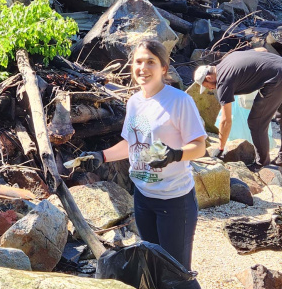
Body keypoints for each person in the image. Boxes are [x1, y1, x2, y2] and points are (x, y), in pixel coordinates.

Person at [83, 39, 208, 271]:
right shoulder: (134, 102)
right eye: (138, 61)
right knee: (152, 267)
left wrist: (175, 155)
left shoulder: (180, 101)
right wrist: (101, 156)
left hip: (174, 200)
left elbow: (200, 146)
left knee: (177, 273)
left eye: (151, 62)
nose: (143, 68)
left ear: (164, 67)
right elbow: (132, 143)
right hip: (142, 197)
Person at [194, 49, 282, 170]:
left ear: (209, 77)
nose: (211, 89)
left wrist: (221, 148)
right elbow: (260, 50)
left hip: (278, 78)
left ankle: (261, 164)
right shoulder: (227, 59)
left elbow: (226, 120)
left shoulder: (223, 82)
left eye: (208, 86)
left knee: (256, 122)